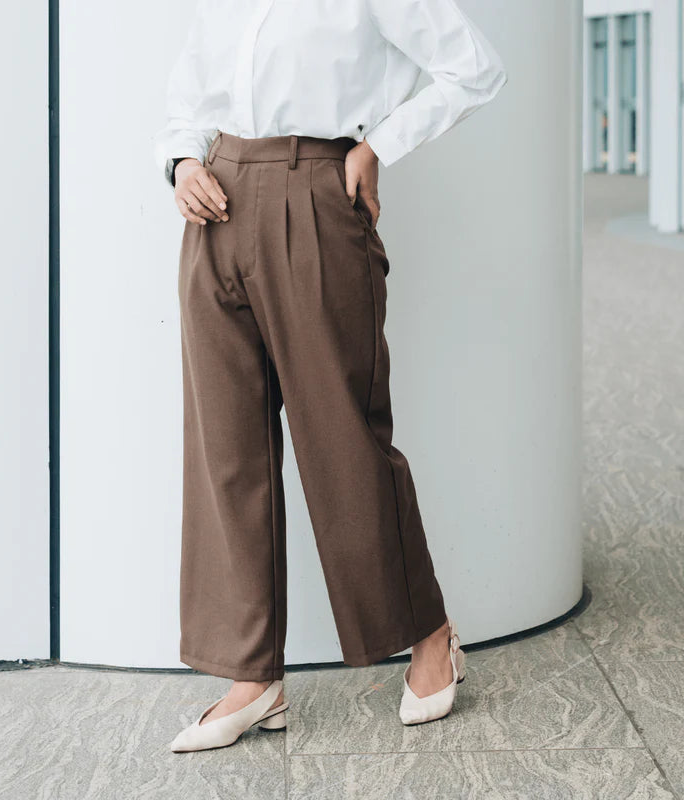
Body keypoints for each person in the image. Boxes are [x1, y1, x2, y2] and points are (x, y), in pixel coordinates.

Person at [152, 0, 508, 753]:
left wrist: (378, 145)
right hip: (214, 207)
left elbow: (475, 68)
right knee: (226, 452)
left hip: (315, 191)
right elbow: (190, 96)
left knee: (343, 439)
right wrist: (182, 161)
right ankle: (252, 676)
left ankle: (429, 632)